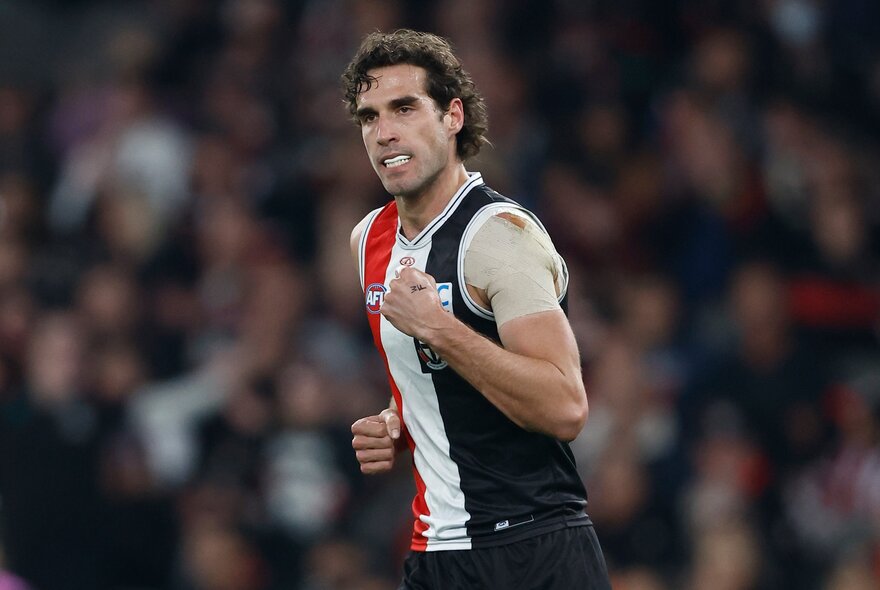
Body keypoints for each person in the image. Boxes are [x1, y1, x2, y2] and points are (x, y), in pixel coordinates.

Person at [343, 30, 611, 589]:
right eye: (369, 117)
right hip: (435, 555)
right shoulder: (368, 240)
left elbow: (565, 406)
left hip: (532, 549)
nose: (384, 132)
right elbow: (434, 379)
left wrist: (441, 330)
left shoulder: (500, 237)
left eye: (405, 108)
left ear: (453, 116)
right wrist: (399, 420)